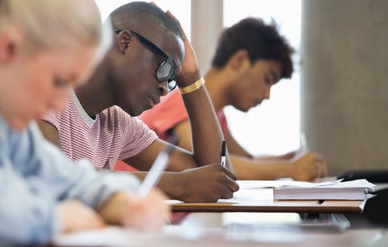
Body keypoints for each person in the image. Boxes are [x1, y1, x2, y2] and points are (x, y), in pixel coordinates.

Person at [0, 0, 169, 247]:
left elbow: (66, 177)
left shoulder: (0, 125)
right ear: (8, 48)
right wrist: (56, 217)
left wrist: (126, 198)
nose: (61, 104)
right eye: (59, 81)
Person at [39, 1, 238, 203]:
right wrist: (176, 184)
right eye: (165, 68)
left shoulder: (117, 124)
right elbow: (56, 176)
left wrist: (191, 78)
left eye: (171, 81)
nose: (164, 86)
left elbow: (215, 179)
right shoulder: (47, 93)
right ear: (125, 42)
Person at [138, 17, 328, 181]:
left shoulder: (216, 117)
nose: (267, 95)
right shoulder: (183, 102)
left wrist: (288, 160)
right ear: (240, 61)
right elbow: (210, 164)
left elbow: (245, 159)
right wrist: (291, 169)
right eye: (267, 80)